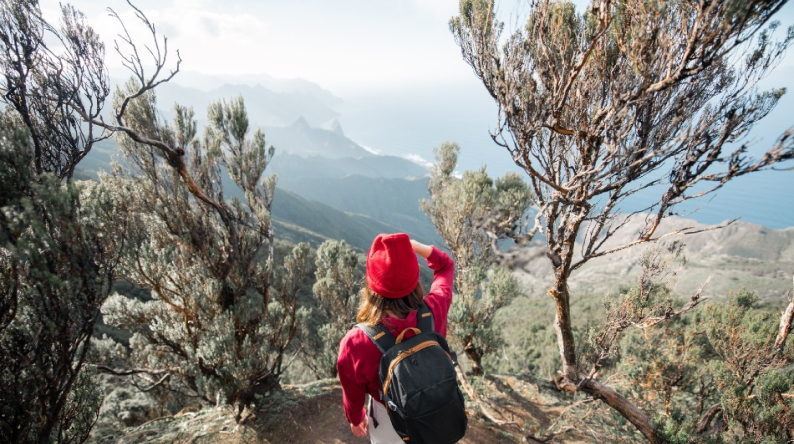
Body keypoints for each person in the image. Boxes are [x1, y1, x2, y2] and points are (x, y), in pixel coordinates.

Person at [337, 233, 455, 443]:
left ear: (371, 287)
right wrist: (417, 247)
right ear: (414, 280)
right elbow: (445, 265)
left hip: (391, 422)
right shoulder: (435, 308)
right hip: (438, 412)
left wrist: (356, 419)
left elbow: (353, 395)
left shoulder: (355, 342)